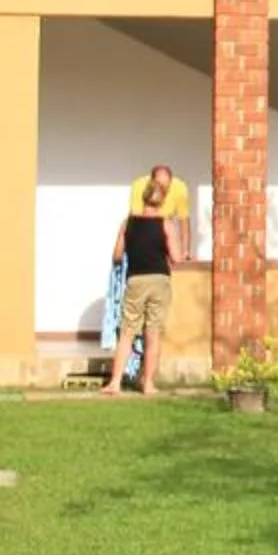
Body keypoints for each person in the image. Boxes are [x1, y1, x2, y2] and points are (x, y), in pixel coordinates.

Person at [105, 163, 190, 397]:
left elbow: (116, 255)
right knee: (153, 334)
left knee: (127, 332)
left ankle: (115, 383)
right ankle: (148, 384)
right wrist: (180, 253)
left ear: (143, 197)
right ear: (162, 201)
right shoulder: (166, 224)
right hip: (160, 280)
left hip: (136, 280)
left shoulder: (128, 223)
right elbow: (176, 257)